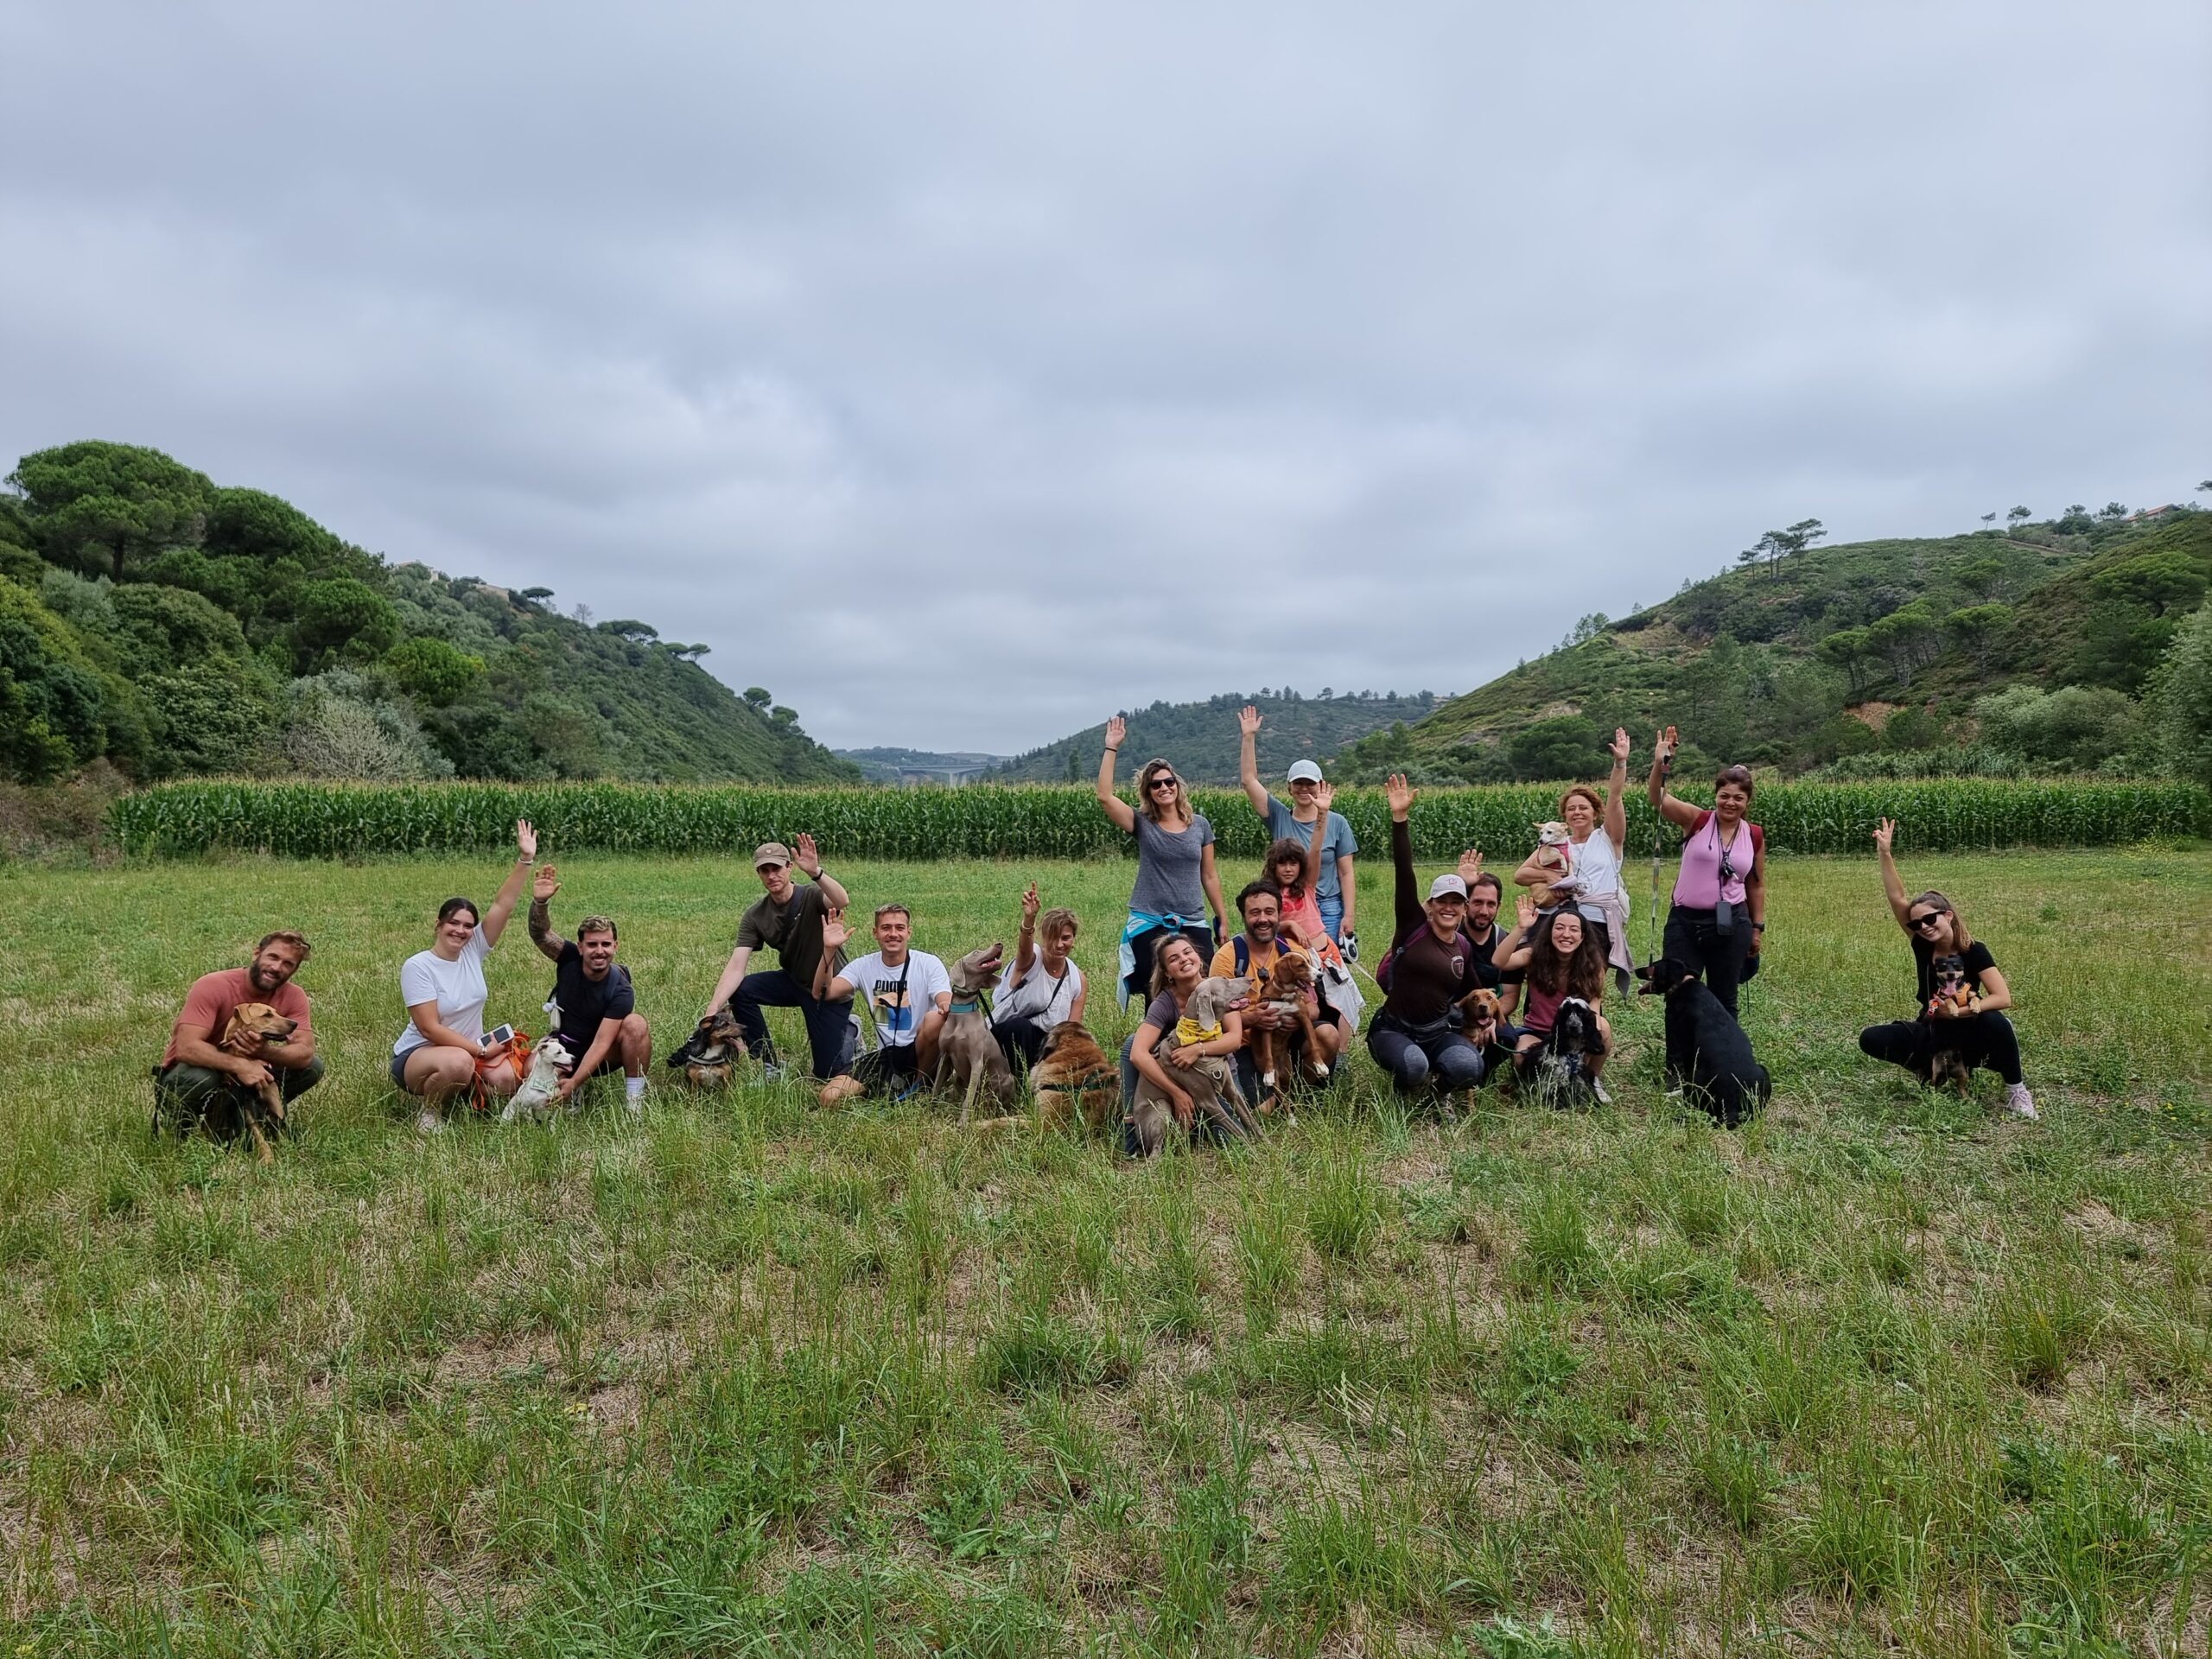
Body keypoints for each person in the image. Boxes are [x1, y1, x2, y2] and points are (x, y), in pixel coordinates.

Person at [1859, 818, 2037, 1119]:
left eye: (1931, 919)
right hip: (1933, 1028)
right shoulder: (1922, 945)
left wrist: (1958, 1012)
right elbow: (1897, 898)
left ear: (1948, 915)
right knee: (1872, 1038)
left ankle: (2016, 1091)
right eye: (1917, 923)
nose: (1924, 926)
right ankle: (1928, 1066)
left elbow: (2003, 997)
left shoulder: (1973, 950)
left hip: (1969, 1030)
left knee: (1998, 1022)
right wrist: (1885, 853)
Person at [393, 819, 538, 1133]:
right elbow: (429, 1028)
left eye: (468, 925)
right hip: (420, 1054)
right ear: (438, 924)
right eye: (453, 923)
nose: (460, 930)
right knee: (459, 1063)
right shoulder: (418, 966)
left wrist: (525, 859)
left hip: (471, 1049)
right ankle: (430, 1112)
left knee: (507, 1079)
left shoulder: (473, 950)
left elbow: (503, 905)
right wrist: (480, 1050)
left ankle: (462, 1092)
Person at [1363, 774, 1486, 1098]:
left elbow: (1474, 991)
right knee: (1413, 1065)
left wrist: (1484, 1024)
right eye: (1441, 901)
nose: (1448, 907)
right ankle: (1408, 1085)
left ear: (1465, 909)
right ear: (1430, 905)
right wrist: (1399, 819)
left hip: (1437, 1032)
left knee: (1470, 1067)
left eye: (1456, 902)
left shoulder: (1462, 947)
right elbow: (1404, 872)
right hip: (1393, 1030)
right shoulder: (1412, 926)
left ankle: (1437, 1094)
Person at [1096, 717, 1230, 1005]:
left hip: (1192, 918)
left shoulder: (1200, 826)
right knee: (1156, 990)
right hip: (1150, 920)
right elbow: (1104, 797)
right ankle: (1155, 1034)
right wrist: (1111, 748)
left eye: (1169, 782)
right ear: (1149, 792)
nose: (1164, 788)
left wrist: (1222, 918)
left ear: (1177, 785)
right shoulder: (1142, 823)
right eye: (1156, 784)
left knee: (1203, 987)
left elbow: (1209, 875)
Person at [701, 836, 853, 1083]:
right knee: (743, 990)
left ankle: (851, 1030)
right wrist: (713, 1007)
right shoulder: (755, 915)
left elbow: (841, 900)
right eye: (765, 870)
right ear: (759, 874)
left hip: (829, 987)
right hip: (794, 982)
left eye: (777, 868)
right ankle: (768, 1062)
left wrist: (816, 872)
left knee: (827, 1074)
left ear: (789, 867)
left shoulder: (812, 896)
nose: (771, 875)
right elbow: (736, 967)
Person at [156, 931, 325, 1140]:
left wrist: (264, 1052)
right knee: (202, 1078)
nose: (276, 967)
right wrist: (242, 1066)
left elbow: (305, 1052)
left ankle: (257, 1118)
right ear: (256, 953)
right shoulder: (213, 985)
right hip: (196, 1070)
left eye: (288, 964)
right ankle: (177, 1127)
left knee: (312, 1067)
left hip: (250, 1071)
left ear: (295, 970)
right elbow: (187, 1048)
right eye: (273, 957)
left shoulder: (294, 996)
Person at [1646, 726, 1766, 1017]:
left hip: (1731, 924)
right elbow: (1657, 797)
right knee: (1679, 994)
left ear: (1747, 802)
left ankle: (1725, 1048)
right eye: (1725, 796)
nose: (1730, 803)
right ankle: (1680, 1049)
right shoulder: (1696, 819)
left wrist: (1757, 928)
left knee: (1724, 999)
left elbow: (1756, 885)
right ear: (1716, 795)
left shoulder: (1754, 834)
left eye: (1738, 798)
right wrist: (1662, 762)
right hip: (1685, 923)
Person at [524, 861, 652, 1112]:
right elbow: (541, 935)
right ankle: (568, 1086)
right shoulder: (568, 957)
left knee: (636, 1024)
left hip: (604, 1055)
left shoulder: (621, 989)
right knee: (528, 1071)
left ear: (616, 946)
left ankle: (634, 1102)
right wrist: (540, 903)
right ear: (581, 947)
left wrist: (575, 1081)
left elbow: (602, 1043)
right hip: (564, 1046)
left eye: (606, 944)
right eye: (592, 944)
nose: (599, 951)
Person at [1515, 727, 1633, 989]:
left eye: (1583, 807)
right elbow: (1520, 875)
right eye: (1571, 809)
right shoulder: (1556, 843)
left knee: (1588, 984)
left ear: (1595, 812)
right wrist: (1547, 875)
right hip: (1556, 920)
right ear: (1564, 817)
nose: (1577, 812)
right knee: (1547, 981)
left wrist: (1620, 764)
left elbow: (1615, 798)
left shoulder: (1608, 838)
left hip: (1595, 921)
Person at [1237, 706, 1358, 947]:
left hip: (1328, 904)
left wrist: (1349, 914)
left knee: (1325, 960)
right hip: (1288, 903)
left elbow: (1346, 873)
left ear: (1320, 785)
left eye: (1310, 784)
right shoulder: (1278, 816)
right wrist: (1248, 737)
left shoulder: (1337, 822)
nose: (1304, 789)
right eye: (1298, 784)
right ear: (1289, 788)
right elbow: (1249, 781)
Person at [1211, 880, 1342, 1097]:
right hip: (1248, 1043)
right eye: (1255, 913)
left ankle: (1300, 1094)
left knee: (1328, 1035)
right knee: (1261, 1107)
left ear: (1279, 915)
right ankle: (1273, 1097)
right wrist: (1252, 1018)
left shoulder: (1294, 952)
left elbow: (1313, 1007)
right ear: (1243, 916)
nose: (1263, 919)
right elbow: (1215, 1015)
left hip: (1289, 1036)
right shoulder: (1227, 957)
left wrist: (1295, 1019)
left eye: (1270, 912)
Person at [815, 903, 951, 1103]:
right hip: (887, 1054)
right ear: (875, 933)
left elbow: (944, 999)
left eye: (900, 928)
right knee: (829, 1097)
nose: (893, 934)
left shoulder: (928, 963)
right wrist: (829, 949)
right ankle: (884, 1085)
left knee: (935, 1019)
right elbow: (823, 993)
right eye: (886, 928)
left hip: (921, 1049)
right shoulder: (863, 966)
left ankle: (920, 1088)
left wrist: (947, 1005)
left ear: (909, 933)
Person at [1123, 933, 1246, 1154]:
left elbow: (1234, 1038)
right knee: (1131, 1043)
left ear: (1198, 957)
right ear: (1167, 972)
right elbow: (1137, 1053)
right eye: (1173, 959)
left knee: (1231, 1144)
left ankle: (1199, 1124)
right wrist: (1176, 1093)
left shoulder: (1218, 987)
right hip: (1183, 1078)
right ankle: (1132, 1128)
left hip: (1218, 1075)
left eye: (1187, 952)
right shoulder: (1164, 1002)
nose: (1183, 959)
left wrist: (1197, 1049)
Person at [1495, 896, 1615, 1100]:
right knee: (1521, 1058)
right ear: (1549, 932)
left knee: (1603, 1028)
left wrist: (1593, 1027)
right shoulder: (1533, 955)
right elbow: (1499, 961)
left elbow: (1595, 1001)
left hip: (1573, 1033)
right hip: (1538, 1032)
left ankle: (1592, 1078)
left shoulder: (1593, 964)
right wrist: (1521, 928)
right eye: (1559, 928)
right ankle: (1537, 1084)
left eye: (1573, 930)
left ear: (1582, 937)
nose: (1566, 934)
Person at [993, 882, 1088, 1070]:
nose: (1059, 945)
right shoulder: (1032, 959)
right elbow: (1024, 950)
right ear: (1043, 938)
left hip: (1046, 1045)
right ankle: (1021, 1080)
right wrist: (1029, 919)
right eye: (1053, 937)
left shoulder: (1078, 979)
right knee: (1021, 1027)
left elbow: (1072, 1029)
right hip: (1007, 1037)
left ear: (1074, 939)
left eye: (1065, 938)